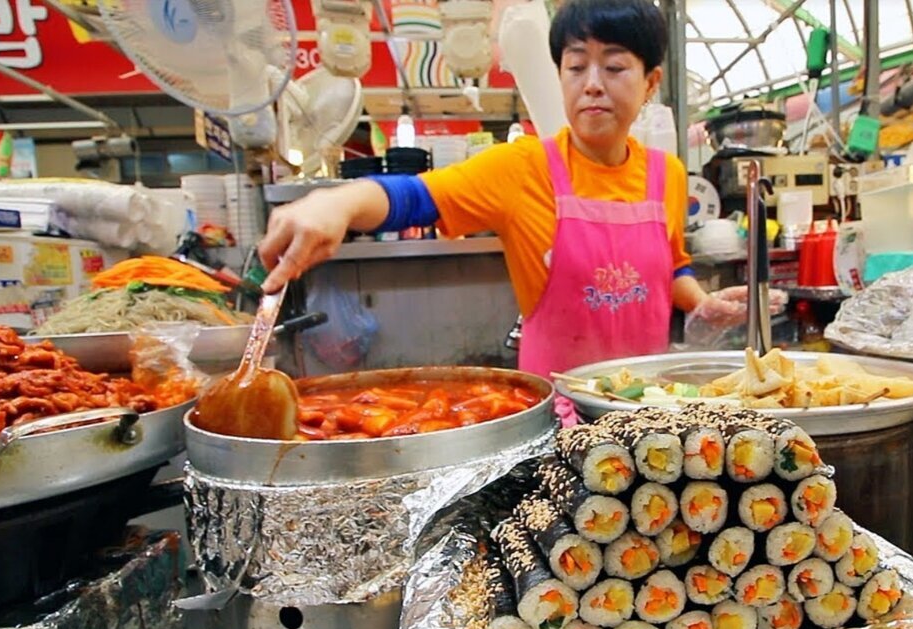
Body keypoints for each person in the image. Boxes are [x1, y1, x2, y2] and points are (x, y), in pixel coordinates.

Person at [259, 0, 745, 380]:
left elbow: (671, 264)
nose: (593, 84)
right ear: (560, 77)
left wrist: (699, 301)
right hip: (560, 418)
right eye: (577, 68)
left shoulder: (669, 174)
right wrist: (338, 201)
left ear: (650, 82)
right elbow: (413, 197)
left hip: (642, 410)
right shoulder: (524, 167)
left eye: (614, 68)